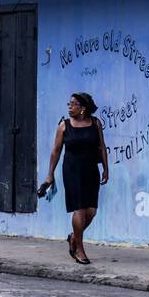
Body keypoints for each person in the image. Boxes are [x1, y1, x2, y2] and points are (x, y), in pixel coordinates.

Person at [42, 93, 109, 265]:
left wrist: (106, 169)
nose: (69, 107)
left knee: (91, 211)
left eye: (73, 104)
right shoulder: (64, 126)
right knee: (79, 209)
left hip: (91, 170)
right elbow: (55, 151)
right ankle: (79, 248)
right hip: (72, 170)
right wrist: (50, 174)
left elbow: (102, 147)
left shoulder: (95, 124)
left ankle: (73, 237)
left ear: (83, 108)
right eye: (69, 104)